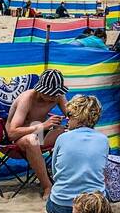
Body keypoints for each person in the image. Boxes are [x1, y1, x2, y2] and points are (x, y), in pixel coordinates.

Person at [44, 95, 110, 213]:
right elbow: (103, 172)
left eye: (69, 116)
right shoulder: (104, 140)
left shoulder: (62, 138)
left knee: (53, 204)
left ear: (79, 118)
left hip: (61, 205)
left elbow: (55, 171)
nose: (67, 120)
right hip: (94, 207)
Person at [6, 69, 71, 198]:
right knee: (31, 140)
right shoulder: (27, 99)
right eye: (50, 94)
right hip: (19, 138)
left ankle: (69, 180)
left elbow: (72, 115)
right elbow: (11, 133)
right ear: (40, 90)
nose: (53, 98)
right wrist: (43, 125)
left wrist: (71, 123)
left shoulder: (57, 95)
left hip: (40, 134)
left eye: (55, 95)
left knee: (69, 133)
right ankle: (47, 186)